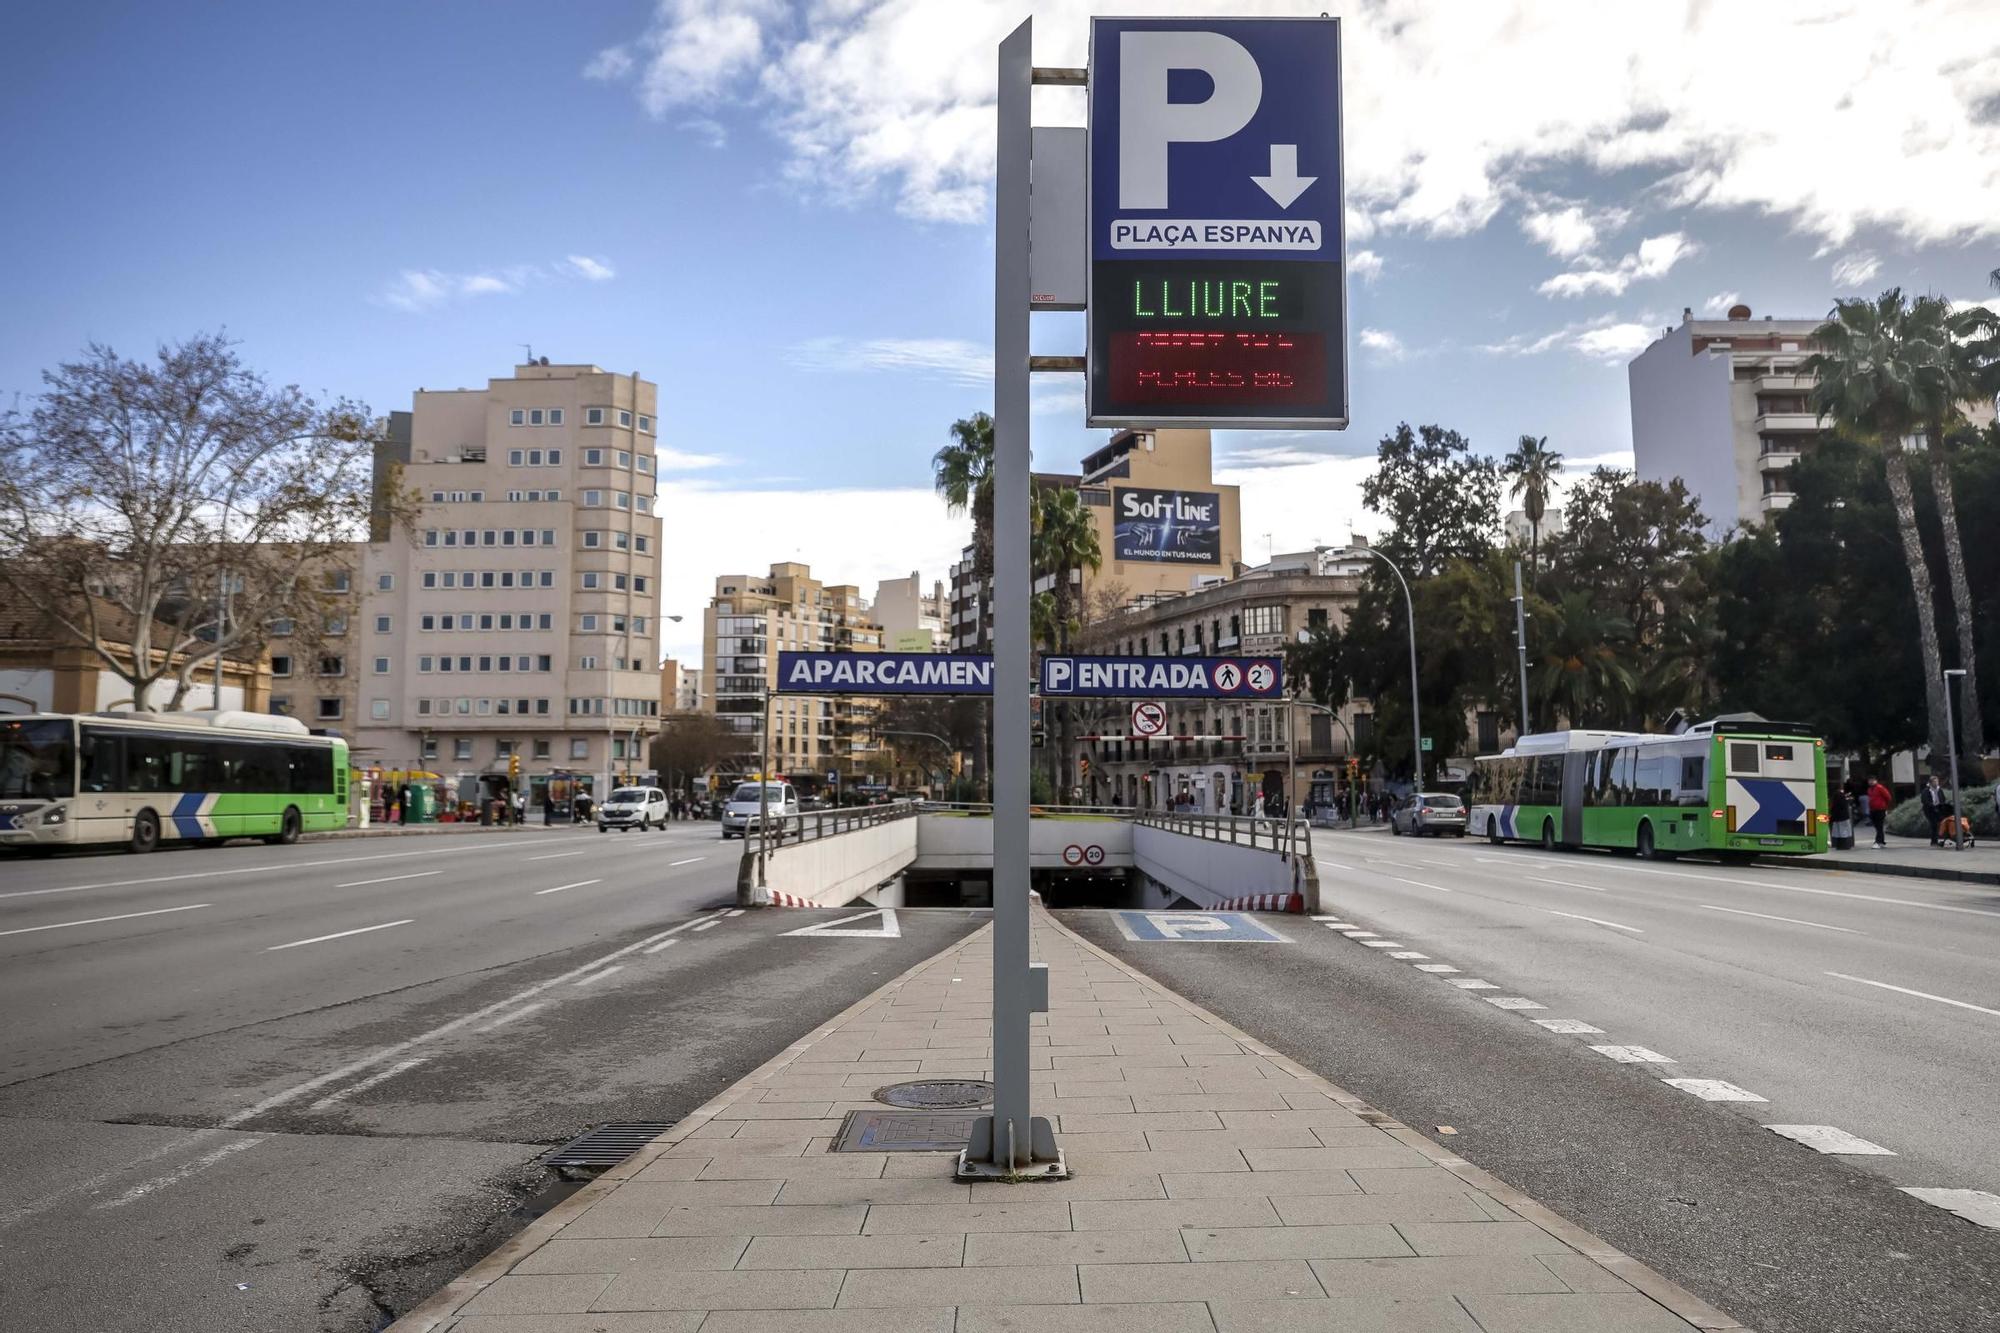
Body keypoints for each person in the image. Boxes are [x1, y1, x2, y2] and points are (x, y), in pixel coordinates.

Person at [1920, 773, 1951, 847]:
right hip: (1930, 810)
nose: (1936, 783)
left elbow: (1942, 798)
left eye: (1937, 781)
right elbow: (1924, 800)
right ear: (1930, 783)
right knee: (1934, 824)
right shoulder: (1926, 791)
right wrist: (1932, 805)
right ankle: (1934, 841)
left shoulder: (1939, 790)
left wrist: (1942, 806)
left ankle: (1941, 838)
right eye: (1934, 782)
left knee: (1942, 823)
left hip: (1939, 809)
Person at [1866, 776, 1892, 847]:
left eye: (1872, 780)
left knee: (1879, 826)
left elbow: (1888, 797)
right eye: (1869, 780)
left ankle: (1878, 841)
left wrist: (1884, 806)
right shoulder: (1869, 789)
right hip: (1873, 809)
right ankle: (1881, 841)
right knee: (1877, 826)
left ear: (1876, 780)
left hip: (1880, 809)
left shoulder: (1880, 788)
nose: (1871, 782)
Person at [1828, 783, 1853, 851]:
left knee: (1838, 831)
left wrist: (1832, 817)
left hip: (1837, 817)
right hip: (1843, 817)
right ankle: (1845, 845)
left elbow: (1835, 807)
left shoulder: (1836, 795)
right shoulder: (1840, 795)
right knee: (1844, 831)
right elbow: (1842, 805)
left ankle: (1839, 845)